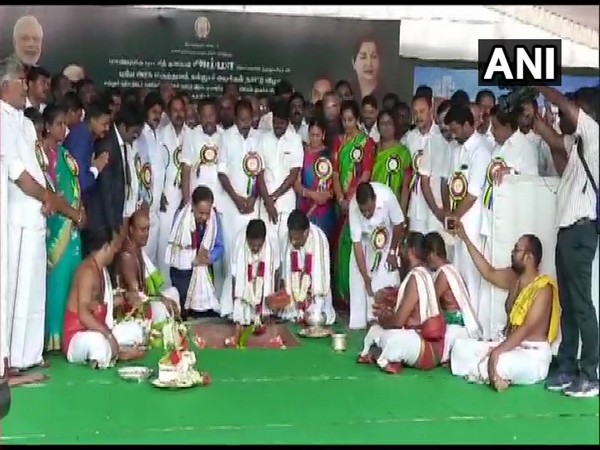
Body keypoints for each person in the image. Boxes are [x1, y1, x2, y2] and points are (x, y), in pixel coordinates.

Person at [1, 57, 81, 374]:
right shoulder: (3, 119)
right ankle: (10, 360)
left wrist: (48, 197)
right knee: (13, 290)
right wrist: (46, 196)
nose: (26, 86)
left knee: (33, 289)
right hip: (15, 217)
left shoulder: (22, 121)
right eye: (22, 81)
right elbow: (17, 172)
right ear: (5, 85)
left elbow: (35, 166)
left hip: (35, 215)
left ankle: (27, 355)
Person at [535, 85, 599, 397]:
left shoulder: (596, 134)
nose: (569, 112)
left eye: (577, 108)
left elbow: (565, 106)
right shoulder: (578, 143)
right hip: (567, 232)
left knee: (582, 305)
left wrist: (538, 84)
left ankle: (590, 374)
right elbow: (552, 139)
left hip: (580, 231)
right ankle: (568, 369)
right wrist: (535, 119)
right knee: (569, 305)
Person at [450, 221, 560, 392]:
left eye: (517, 250)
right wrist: (465, 238)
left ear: (528, 257)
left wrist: (496, 354)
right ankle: (488, 370)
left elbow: (525, 329)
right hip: (508, 345)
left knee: (500, 363)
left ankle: (489, 368)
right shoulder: (513, 278)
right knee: (459, 348)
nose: (512, 253)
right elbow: (488, 272)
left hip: (531, 355)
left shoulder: (543, 289)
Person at [357, 232, 442, 374]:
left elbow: (398, 321)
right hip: (425, 345)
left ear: (411, 251)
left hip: (424, 347)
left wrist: (383, 317)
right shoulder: (423, 274)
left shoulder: (416, 277)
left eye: (402, 248)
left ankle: (384, 359)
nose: (400, 253)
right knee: (375, 330)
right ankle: (373, 353)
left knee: (393, 339)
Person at [63, 227, 146, 369]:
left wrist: (125, 298)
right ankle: (119, 354)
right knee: (99, 345)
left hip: (99, 329)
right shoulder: (88, 272)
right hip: (78, 336)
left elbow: (100, 305)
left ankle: (114, 351)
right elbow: (83, 315)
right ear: (106, 246)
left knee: (137, 331)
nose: (116, 250)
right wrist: (108, 336)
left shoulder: (101, 269)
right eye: (114, 246)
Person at [40, 105, 86, 352]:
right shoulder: (42, 156)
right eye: (58, 124)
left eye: (64, 124)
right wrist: (73, 214)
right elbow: (52, 195)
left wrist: (82, 211)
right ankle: (52, 336)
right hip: (57, 227)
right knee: (56, 281)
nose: (63, 128)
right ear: (47, 126)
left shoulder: (66, 155)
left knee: (72, 277)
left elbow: (76, 187)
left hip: (75, 227)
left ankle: (70, 333)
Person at [443, 105, 491, 336]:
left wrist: (454, 217)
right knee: (457, 271)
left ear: (468, 125)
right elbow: (450, 183)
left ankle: (475, 330)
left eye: (456, 130)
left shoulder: (481, 150)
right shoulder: (456, 149)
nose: (453, 135)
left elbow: (473, 193)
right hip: (456, 220)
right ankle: (461, 323)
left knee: (472, 275)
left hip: (471, 222)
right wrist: (448, 215)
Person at [217, 99, 262, 316]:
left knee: (252, 254)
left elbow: (260, 172)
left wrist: (252, 198)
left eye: (249, 119)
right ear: (236, 119)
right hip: (232, 208)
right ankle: (229, 306)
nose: (246, 124)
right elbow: (222, 173)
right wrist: (237, 199)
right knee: (232, 258)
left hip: (253, 206)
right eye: (242, 120)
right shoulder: (225, 137)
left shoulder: (258, 137)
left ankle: (251, 303)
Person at [332, 100, 376, 307]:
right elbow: (335, 172)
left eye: (351, 119)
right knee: (340, 247)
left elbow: (366, 172)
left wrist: (351, 198)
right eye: (344, 120)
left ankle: (354, 299)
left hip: (357, 202)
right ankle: (341, 297)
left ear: (357, 119)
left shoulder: (366, 143)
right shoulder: (339, 142)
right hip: (340, 203)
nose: (347, 124)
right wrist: (340, 197)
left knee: (354, 245)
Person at [348, 182, 404, 329]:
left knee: (384, 281)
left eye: (369, 210)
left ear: (374, 199)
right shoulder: (353, 206)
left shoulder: (387, 196)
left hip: (386, 241)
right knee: (359, 282)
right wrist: (365, 277)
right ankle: (360, 322)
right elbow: (357, 244)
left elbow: (399, 223)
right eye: (363, 211)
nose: (366, 214)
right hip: (365, 243)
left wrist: (393, 251)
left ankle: (379, 320)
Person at [85, 101, 145, 238]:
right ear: (123, 126)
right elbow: (106, 190)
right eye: (134, 132)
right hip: (103, 224)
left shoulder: (124, 144)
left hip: (118, 218)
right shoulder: (107, 144)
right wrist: (113, 227)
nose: (136, 137)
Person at [167, 186, 224, 318]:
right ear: (192, 205)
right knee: (185, 311)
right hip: (183, 272)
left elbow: (220, 246)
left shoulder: (215, 219)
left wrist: (210, 257)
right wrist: (194, 259)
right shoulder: (180, 218)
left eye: (207, 213)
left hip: (205, 268)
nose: (204, 217)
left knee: (205, 313)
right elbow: (177, 250)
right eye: (200, 213)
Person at [424, 232, 482, 362]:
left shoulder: (443, 274)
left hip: (455, 324)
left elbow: (429, 304)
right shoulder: (450, 268)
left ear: (432, 254)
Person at [115, 208, 180, 324]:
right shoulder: (127, 256)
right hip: (133, 308)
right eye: (142, 230)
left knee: (173, 292)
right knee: (160, 309)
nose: (146, 234)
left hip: (145, 297)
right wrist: (161, 300)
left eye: (148, 229)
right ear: (131, 229)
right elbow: (136, 295)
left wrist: (162, 298)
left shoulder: (137, 248)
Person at [256, 99, 304, 249]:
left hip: (286, 202)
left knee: (285, 247)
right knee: (266, 247)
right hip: (265, 203)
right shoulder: (262, 139)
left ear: (288, 122)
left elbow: (293, 174)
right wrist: (268, 200)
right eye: (275, 122)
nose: (278, 126)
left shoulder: (295, 140)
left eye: (282, 123)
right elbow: (259, 173)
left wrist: (275, 197)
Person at [225, 219, 280, 346]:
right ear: (247, 239)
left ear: (264, 240)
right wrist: (236, 308)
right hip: (245, 282)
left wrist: (271, 304)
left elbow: (276, 271)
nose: (255, 248)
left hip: (262, 284)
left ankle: (260, 319)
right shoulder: (239, 242)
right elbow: (235, 276)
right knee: (242, 316)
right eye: (252, 245)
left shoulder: (271, 242)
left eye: (259, 246)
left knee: (263, 319)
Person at [401, 94, 450, 235]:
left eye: (422, 111)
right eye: (415, 112)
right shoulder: (408, 139)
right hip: (415, 205)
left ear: (431, 110)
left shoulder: (442, 135)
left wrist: (441, 211)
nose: (418, 116)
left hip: (438, 206)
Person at [278, 209, 335, 325]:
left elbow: (320, 280)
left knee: (316, 317)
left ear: (306, 232)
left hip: (316, 298)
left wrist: (315, 307)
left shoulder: (319, 239)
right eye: (292, 237)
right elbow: (286, 274)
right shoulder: (287, 239)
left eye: (297, 238)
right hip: (294, 298)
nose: (293, 242)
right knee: (289, 314)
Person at [158, 95, 191, 285]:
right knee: (164, 243)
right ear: (168, 113)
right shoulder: (161, 135)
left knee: (186, 245)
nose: (178, 114)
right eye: (175, 110)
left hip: (187, 194)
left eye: (181, 110)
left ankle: (186, 292)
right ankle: (164, 287)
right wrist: (159, 192)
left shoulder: (192, 134)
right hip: (167, 194)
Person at [133, 92, 165, 264]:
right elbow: (142, 170)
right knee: (143, 256)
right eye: (154, 112)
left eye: (160, 113)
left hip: (157, 206)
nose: (157, 116)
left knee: (153, 258)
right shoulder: (141, 136)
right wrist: (144, 201)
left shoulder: (157, 134)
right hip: (144, 206)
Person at [295, 117, 336, 240]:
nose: (314, 138)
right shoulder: (302, 153)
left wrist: (328, 194)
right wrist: (312, 195)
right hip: (305, 207)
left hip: (324, 210)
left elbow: (336, 183)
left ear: (323, 135)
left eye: (317, 135)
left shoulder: (330, 155)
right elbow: (296, 184)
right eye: (312, 135)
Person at [62, 100, 111, 197]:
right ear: (93, 120)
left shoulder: (87, 136)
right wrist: (96, 168)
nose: (107, 128)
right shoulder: (79, 140)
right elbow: (81, 183)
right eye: (104, 124)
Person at [371, 110, 411, 200]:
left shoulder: (403, 152)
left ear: (395, 126)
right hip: (374, 203)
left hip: (395, 204)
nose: (386, 126)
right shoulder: (371, 149)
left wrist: (402, 212)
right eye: (382, 123)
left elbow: (405, 187)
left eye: (389, 123)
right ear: (378, 127)